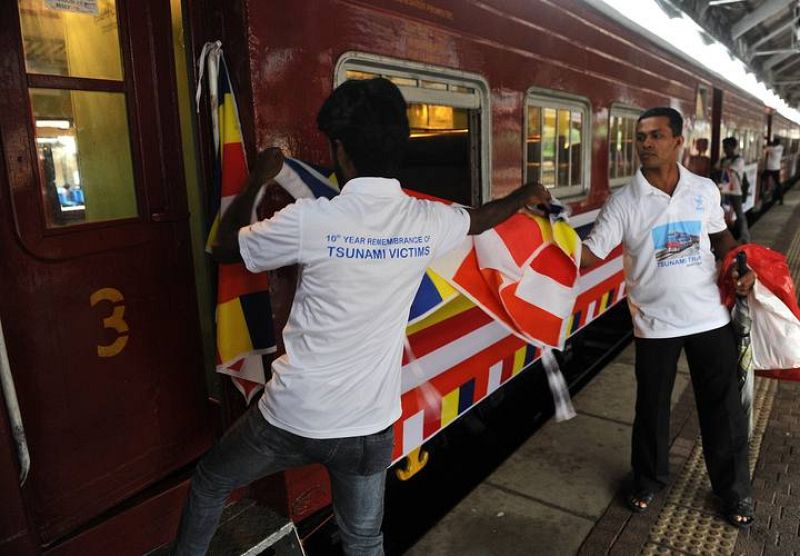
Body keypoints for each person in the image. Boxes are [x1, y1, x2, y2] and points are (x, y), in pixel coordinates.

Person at [173, 77, 551, 556]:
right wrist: (524, 195)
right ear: (400, 147)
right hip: (368, 425)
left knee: (210, 481)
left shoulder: (313, 218)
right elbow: (481, 217)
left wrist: (258, 178)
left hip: (293, 415)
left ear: (339, 149)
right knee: (364, 540)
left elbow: (225, 247)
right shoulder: (427, 221)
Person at [580, 107, 755, 528]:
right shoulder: (624, 201)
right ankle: (648, 478)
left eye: (656, 136)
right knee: (651, 408)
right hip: (654, 323)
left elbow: (720, 237)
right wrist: (539, 232)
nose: (646, 144)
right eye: (640, 137)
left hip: (709, 316)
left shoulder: (703, 189)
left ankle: (733, 492)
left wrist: (737, 265)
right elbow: (588, 253)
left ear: (679, 141)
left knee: (723, 409)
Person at [717, 137, 750, 243]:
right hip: (723, 192)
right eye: (724, 147)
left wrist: (719, 169)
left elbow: (728, 170)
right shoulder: (723, 160)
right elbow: (716, 168)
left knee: (739, 214)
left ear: (733, 147)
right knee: (722, 215)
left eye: (727, 147)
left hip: (735, 192)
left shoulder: (739, 160)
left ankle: (745, 237)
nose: (725, 149)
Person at [764, 138, 784, 205]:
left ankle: (763, 192)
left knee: (762, 178)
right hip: (777, 168)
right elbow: (773, 146)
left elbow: (764, 147)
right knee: (778, 184)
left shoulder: (771, 149)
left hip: (770, 168)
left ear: (775, 143)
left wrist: (769, 143)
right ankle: (781, 199)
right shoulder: (781, 148)